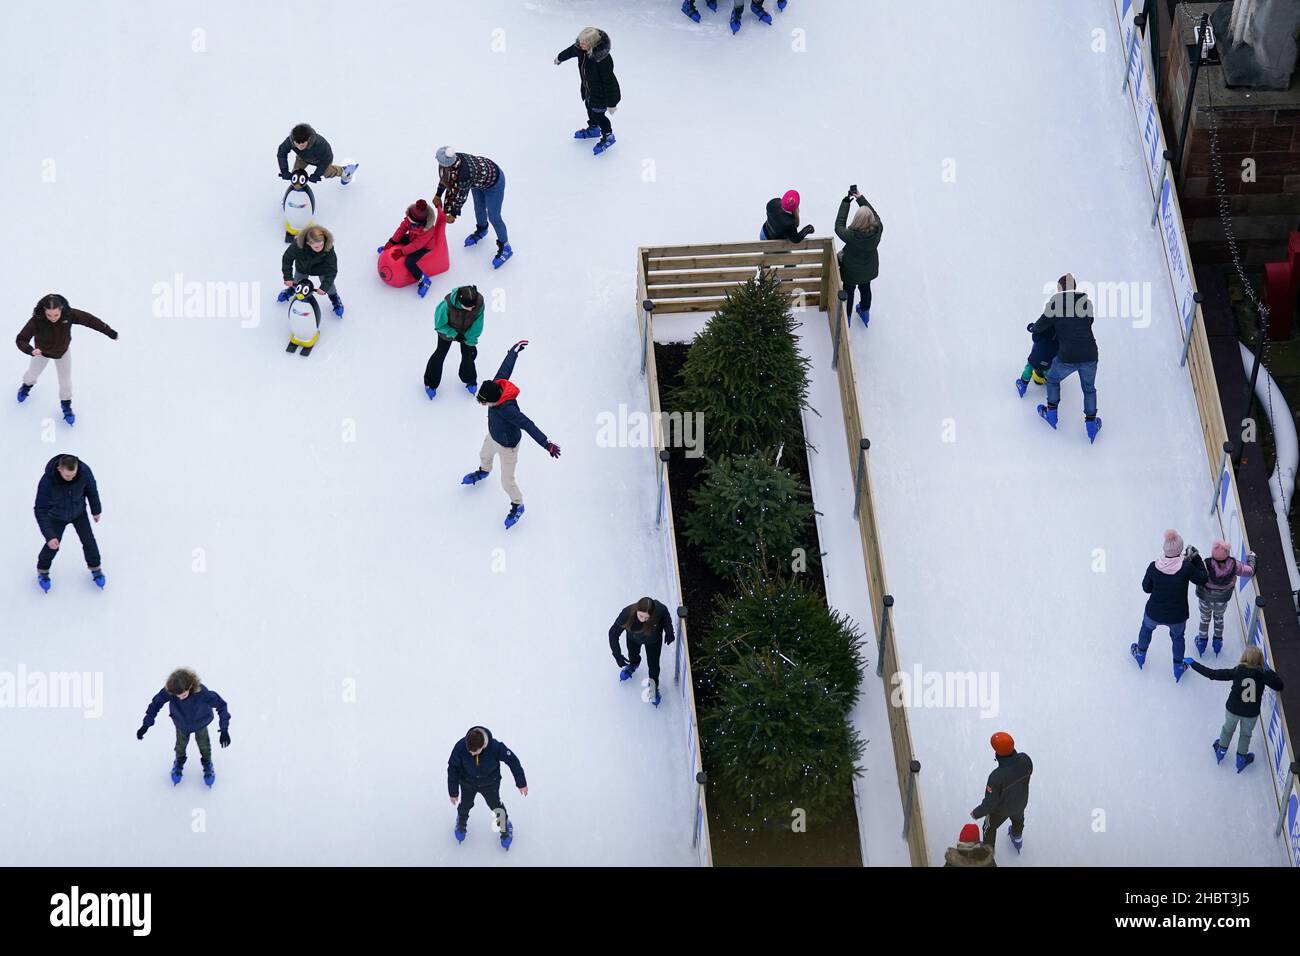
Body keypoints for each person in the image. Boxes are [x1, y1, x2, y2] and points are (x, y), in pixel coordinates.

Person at [462, 340, 561, 529]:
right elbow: (505, 367)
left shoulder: (509, 409)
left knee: (507, 481)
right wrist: (513, 352)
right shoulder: (497, 383)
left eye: (484, 403)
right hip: (493, 435)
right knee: (484, 455)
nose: (483, 406)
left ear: (492, 400)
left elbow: (528, 424)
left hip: (509, 447)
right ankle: (484, 471)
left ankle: (518, 504)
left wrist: (546, 444)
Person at [15, 293, 119, 424]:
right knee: (32, 373)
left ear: (62, 309)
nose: (53, 318)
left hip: (62, 352)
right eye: (49, 315)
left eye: (56, 315)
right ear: (44, 311)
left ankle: (66, 405)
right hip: (41, 353)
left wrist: (109, 332)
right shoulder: (37, 320)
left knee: (65, 382)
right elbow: (21, 339)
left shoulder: (69, 315)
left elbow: (90, 320)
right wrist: (31, 350)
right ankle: (26, 386)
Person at [1186, 645, 1284, 773]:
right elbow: (1279, 686)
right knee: (1245, 735)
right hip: (1251, 713)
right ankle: (1241, 759)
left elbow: (1213, 674)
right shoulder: (1263, 675)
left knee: (1227, 729)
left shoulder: (1237, 671)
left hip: (1233, 709)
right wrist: (1268, 671)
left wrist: (1194, 664)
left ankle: (1221, 750)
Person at [1031, 274, 1101, 442]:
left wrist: (1036, 329)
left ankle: (1052, 413)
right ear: (1075, 288)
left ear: (1060, 289)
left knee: (1053, 379)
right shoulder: (1086, 303)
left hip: (1067, 355)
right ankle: (1091, 425)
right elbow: (1088, 321)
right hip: (1090, 354)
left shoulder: (1055, 304)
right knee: (1089, 389)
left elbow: (1041, 325)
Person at [1132, 529, 1208, 681]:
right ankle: (1178, 666)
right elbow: (1202, 578)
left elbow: (1146, 588)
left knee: (1146, 629)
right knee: (1178, 638)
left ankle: (1140, 654)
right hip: (1177, 616)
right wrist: (1196, 558)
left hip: (1154, 611)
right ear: (1180, 550)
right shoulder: (1186, 567)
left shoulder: (1153, 567)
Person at [137, 668, 231, 788]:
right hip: (181, 724)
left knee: (204, 745)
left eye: (184, 695)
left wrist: (224, 729)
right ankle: (179, 762)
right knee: (180, 746)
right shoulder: (170, 691)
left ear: (191, 686)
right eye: (178, 696)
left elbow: (222, 705)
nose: (180, 698)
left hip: (200, 723)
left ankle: (207, 763)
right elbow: (156, 704)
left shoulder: (202, 693)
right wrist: (146, 724)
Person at [33, 454, 104, 593]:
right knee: (53, 545)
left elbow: (92, 490)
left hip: (79, 513)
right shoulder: (48, 481)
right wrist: (49, 535)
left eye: (73, 474)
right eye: (67, 476)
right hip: (56, 516)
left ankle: (96, 568)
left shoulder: (84, 472)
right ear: (59, 469)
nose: (71, 478)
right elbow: (40, 509)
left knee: (89, 541)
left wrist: (96, 510)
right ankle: (43, 571)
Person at [447, 726, 527, 849]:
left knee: (496, 806)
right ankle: (461, 822)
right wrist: (453, 791)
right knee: (465, 805)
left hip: (490, 784)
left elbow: (513, 761)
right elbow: (453, 767)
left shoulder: (495, 747)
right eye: (469, 752)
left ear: (483, 745)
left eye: (474, 752)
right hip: (468, 783)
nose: (471, 754)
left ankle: (505, 827)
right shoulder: (461, 746)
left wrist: (521, 782)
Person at [434, 147, 511, 269]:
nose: (440, 166)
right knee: (479, 209)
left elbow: (461, 197)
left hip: (494, 183)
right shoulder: (449, 161)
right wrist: (438, 194)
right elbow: (444, 178)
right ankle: (482, 230)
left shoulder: (464, 174)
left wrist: (453, 214)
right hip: (478, 181)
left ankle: (506, 247)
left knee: (494, 217)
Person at [556, 27, 622, 156]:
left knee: (599, 115)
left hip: (601, 95)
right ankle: (593, 129)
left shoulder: (602, 60)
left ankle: (608, 136)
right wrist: (560, 57)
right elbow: (570, 51)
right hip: (588, 90)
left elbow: (610, 82)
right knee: (589, 107)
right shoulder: (581, 49)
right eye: (580, 42)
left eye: (584, 43)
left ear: (592, 44)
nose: (580, 45)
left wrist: (612, 103)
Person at [970, 731, 1032, 854]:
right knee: (1018, 819)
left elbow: (990, 804)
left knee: (988, 827)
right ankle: (1017, 837)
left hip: (1001, 811)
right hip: (1021, 802)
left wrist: (976, 813)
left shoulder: (996, 777)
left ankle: (988, 852)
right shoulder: (1025, 760)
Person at [608, 596, 676, 707]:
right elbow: (613, 633)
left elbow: (665, 614)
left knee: (654, 666)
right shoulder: (627, 613)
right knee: (632, 655)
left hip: (653, 641)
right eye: (641, 616)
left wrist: (669, 631)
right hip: (633, 638)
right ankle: (633, 665)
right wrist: (617, 655)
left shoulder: (658, 609)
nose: (643, 619)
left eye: (646, 617)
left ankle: (653, 688)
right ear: (637, 610)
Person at [1195, 540, 1256, 656]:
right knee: (1219, 619)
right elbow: (1249, 571)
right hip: (1221, 600)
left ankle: (1201, 642)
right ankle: (1217, 643)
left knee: (1204, 619)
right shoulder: (1234, 565)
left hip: (1205, 599)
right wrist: (1251, 559)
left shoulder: (1205, 565)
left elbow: (1194, 573)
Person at [379, 199, 448, 297]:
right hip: (413, 239)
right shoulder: (410, 219)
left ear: (421, 222)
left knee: (410, 262)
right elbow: (401, 229)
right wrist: (391, 242)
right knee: (400, 238)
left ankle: (424, 280)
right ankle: (390, 247)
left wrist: (402, 252)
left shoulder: (427, 230)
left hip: (424, 247)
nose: (409, 223)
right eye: (409, 220)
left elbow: (416, 245)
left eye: (413, 223)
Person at [835, 186, 883, 327]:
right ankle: (865, 311)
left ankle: (847, 317)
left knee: (849, 291)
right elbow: (874, 213)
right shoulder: (878, 228)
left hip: (851, 271)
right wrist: (860, 198)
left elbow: (838, 226)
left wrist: (846, 202)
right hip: (869, 268)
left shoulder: (852, 236)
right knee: (865, 288)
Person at [425, 285, 484, 399]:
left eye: (473, 307)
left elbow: (478, 324)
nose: (471, 309)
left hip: (467, 331)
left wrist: (471, 342)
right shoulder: (446, 305)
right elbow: (439, 325)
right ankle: (430, 383)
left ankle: (469, 379)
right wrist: (454, 334)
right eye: (468, 307)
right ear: (460, 302)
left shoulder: (478, 304)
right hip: (447, 330)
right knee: (440, 354)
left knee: (469, 355)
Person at [279, 224, 343, 317]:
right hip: (303, 267)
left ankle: (334, 298)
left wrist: (324, 287)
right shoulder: (298, 245)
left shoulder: (328, 248)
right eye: (316, 247)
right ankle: (292, 289)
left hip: (322, 269)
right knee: (297, 282)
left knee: (329, 286)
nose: (320, 248)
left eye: (322, 244)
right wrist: (288, 277)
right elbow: (287, 259)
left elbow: (332, 269)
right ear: (308, 243)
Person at [275, 123, 357, 185]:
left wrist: (317, 174)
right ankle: (295, 193)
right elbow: (281, 153)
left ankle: (344, 171)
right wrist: (284, 170)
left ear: (309, 139)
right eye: (297, 144)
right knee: (296, 175)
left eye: (303, 144)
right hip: (302, 158)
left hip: (322, 160)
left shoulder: (319, 144)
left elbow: (325, 160)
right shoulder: (290, 141)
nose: (299, 147)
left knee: (327, 173)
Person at [1015, 316, 1059, 398]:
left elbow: (1035, 336)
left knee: (1029, 367)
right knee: (1049, 369)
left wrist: (1031, 327)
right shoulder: (1064, 333)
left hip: (1036, 357)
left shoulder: (1046, 326)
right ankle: (1049, 382)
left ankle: (1023, 384)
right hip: (1051, 360)